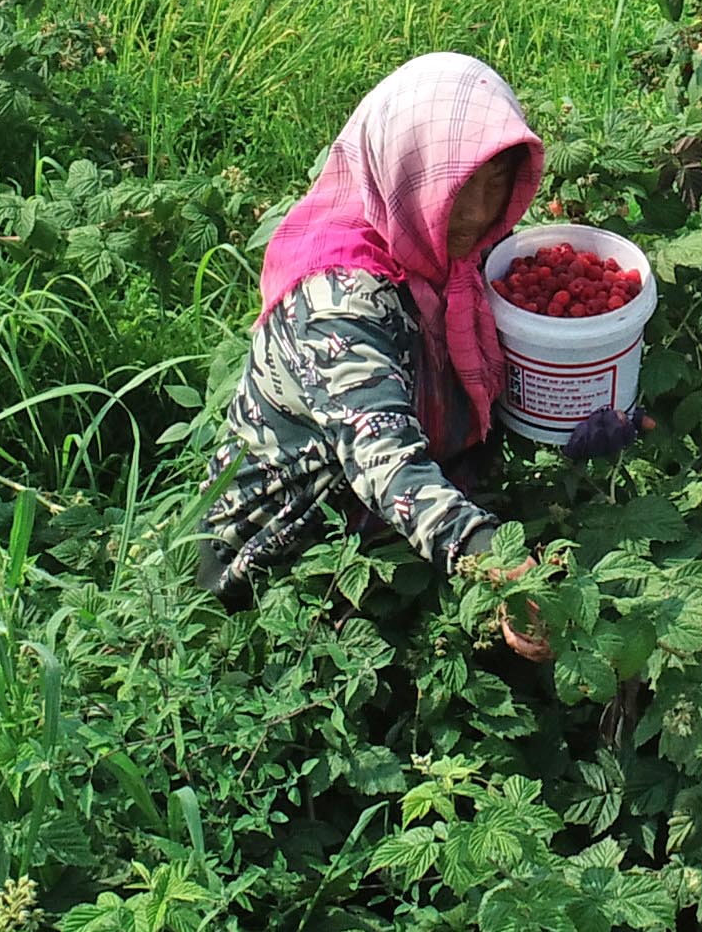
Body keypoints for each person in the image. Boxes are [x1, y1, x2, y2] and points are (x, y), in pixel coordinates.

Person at [192, 53, 637, 656]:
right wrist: (493, 562)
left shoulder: (453, 253)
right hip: (290, 560)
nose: (479, 213)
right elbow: (387, 463)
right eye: (460, 187)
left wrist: (582, 413)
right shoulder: (337, 304)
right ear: (407, 174)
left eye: (495, 184)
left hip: (393, 521)